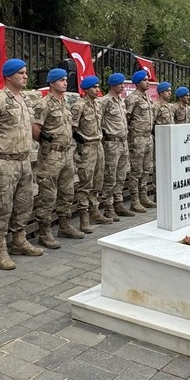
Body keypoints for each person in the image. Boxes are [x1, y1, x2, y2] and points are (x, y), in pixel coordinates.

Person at [0, 58, 44, 267]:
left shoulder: (24, 100)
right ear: (8, 76)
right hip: (5, 162)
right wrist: (0, 146)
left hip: (24, 161)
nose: (25, 76)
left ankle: (19, 240)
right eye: (21, 73)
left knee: (24, 203)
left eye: (26, 72)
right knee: (3, 207)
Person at [33, 68, 85, 249]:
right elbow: (35, 131)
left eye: (65, 79)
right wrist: (49, 145)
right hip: (51, 154)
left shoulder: (64, 103)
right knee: (48, 193)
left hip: (66, 153)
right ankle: (44, 232)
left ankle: (64, 224)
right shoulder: (44, 104)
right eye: (61, 80)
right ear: (52, 83)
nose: (65, 82)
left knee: (67, 190)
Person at [72, 75, 112, 232]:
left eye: (98, 86)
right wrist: (81, 142)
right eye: (94, 87)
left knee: (97, 182)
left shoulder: (97, 105)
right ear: (86, 89)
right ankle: (84, 218)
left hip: (98, 146)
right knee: (85, 183)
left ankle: (94, 212)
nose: (97, 89)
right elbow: (73, 128)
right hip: (87, 148)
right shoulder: (79, 106)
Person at [100, 73, 134, 221]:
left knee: (121, 176)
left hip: (123, 142)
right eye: (120, 84)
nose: (122, 86)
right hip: (111, 143)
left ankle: (119, 203)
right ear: (113, 85)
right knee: (110, 177)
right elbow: (98, 121)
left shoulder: (121, 101)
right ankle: (108, 207)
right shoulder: (105, 101)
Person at [125, 70, 156, 213]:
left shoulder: (147, 98)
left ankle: (143, 196)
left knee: (146, 168)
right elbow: (126, 119)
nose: (147, 82)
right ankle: (135, 200)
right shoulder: (132, 99)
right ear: (138, 83)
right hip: (137, 138)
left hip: (148, 137)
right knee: (136, 170)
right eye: (144, 80)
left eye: (148, 79)